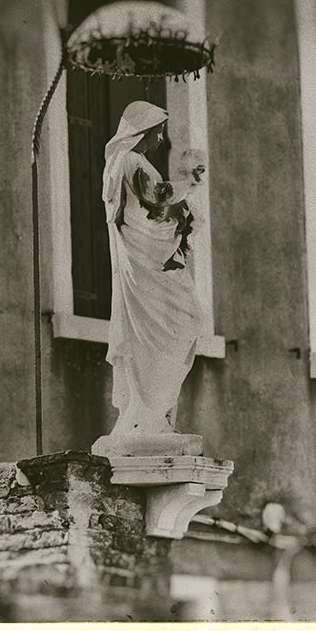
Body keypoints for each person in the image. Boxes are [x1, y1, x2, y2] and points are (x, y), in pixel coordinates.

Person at [102, 101, 206, 437]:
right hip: (148, 263)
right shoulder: (132, 162)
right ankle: (148, 413)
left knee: (158, 333)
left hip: (145, 261)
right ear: (142, 131)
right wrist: (187, 175)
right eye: (158, 130)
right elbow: (158, 204)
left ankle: (150, 412)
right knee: (184, 319)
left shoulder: (125, 162)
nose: (162, 138)